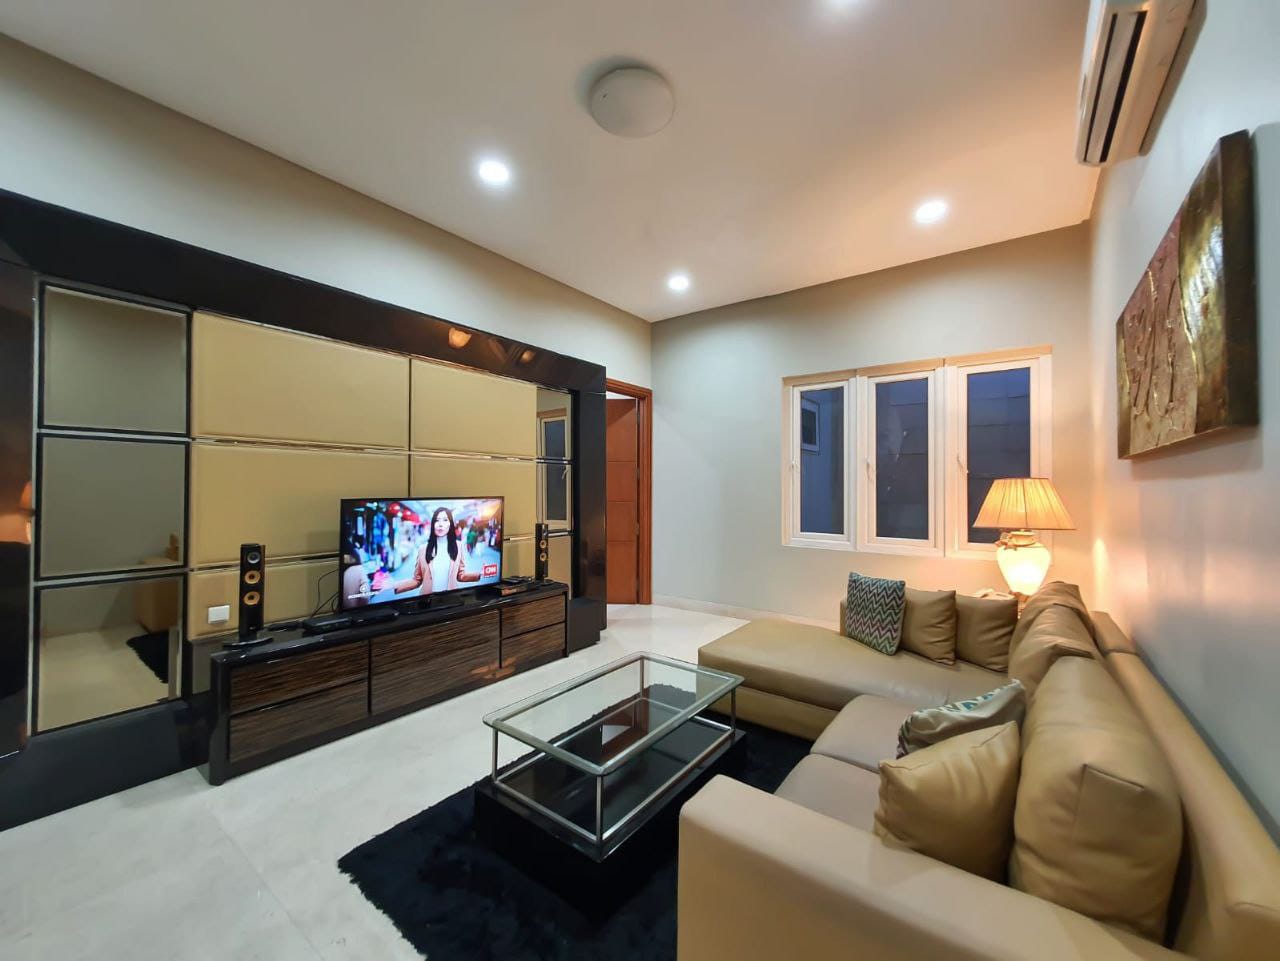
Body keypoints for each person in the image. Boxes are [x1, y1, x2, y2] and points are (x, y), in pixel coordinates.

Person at [392, 506, 482, 596]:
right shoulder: (423, 549)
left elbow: (461, 575)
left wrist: (479, 574)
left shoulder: (458, 546)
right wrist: (394, 586)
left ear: (450, 524)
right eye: (437, 520)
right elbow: (417, 580)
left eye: (445, 520)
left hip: (452, 599)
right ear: (433, 524)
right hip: (428, 600)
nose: (440, 524)